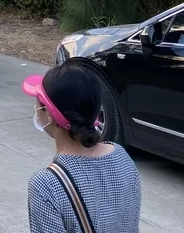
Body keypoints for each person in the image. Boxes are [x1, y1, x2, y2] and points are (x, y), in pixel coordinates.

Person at [23, 61, 140, 233]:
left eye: (38, 104)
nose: (35, 109)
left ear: (48, 113)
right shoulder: (121, 156)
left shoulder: (46, 184)